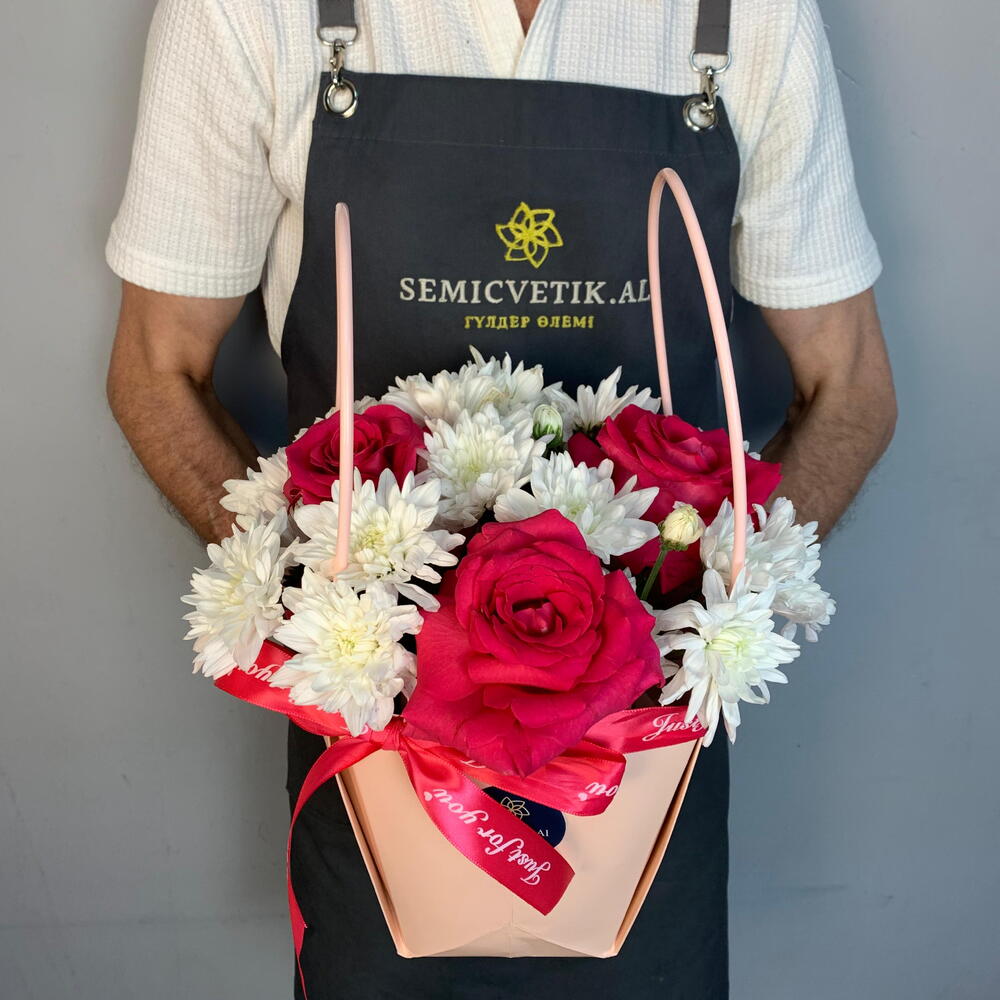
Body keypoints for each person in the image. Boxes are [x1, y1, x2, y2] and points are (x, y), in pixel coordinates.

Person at [105, 1, 897, 997]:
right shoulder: (251, 12)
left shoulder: (745, 16)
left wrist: (712, 617)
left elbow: (851, 386)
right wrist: (327, 626)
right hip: (373, 758)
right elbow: (155, 367)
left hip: (642, 758)